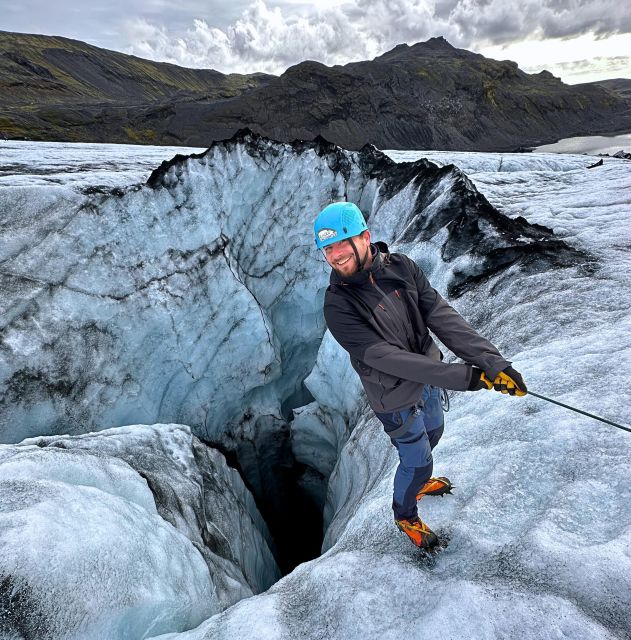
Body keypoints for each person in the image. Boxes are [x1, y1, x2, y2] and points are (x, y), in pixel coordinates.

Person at [314, 202, 527, 549]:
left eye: (341, 243)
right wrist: (465, 377)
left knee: (434, 431)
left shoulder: (402, 268)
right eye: (327, 248)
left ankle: (418, 479)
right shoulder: (338, 305)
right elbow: (387, 359)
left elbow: (441, 316)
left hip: (427, 380)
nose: (335, 255)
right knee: (416, 459)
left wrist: (492, 363)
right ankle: (405, 513)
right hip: (393, 394)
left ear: (365, 238)